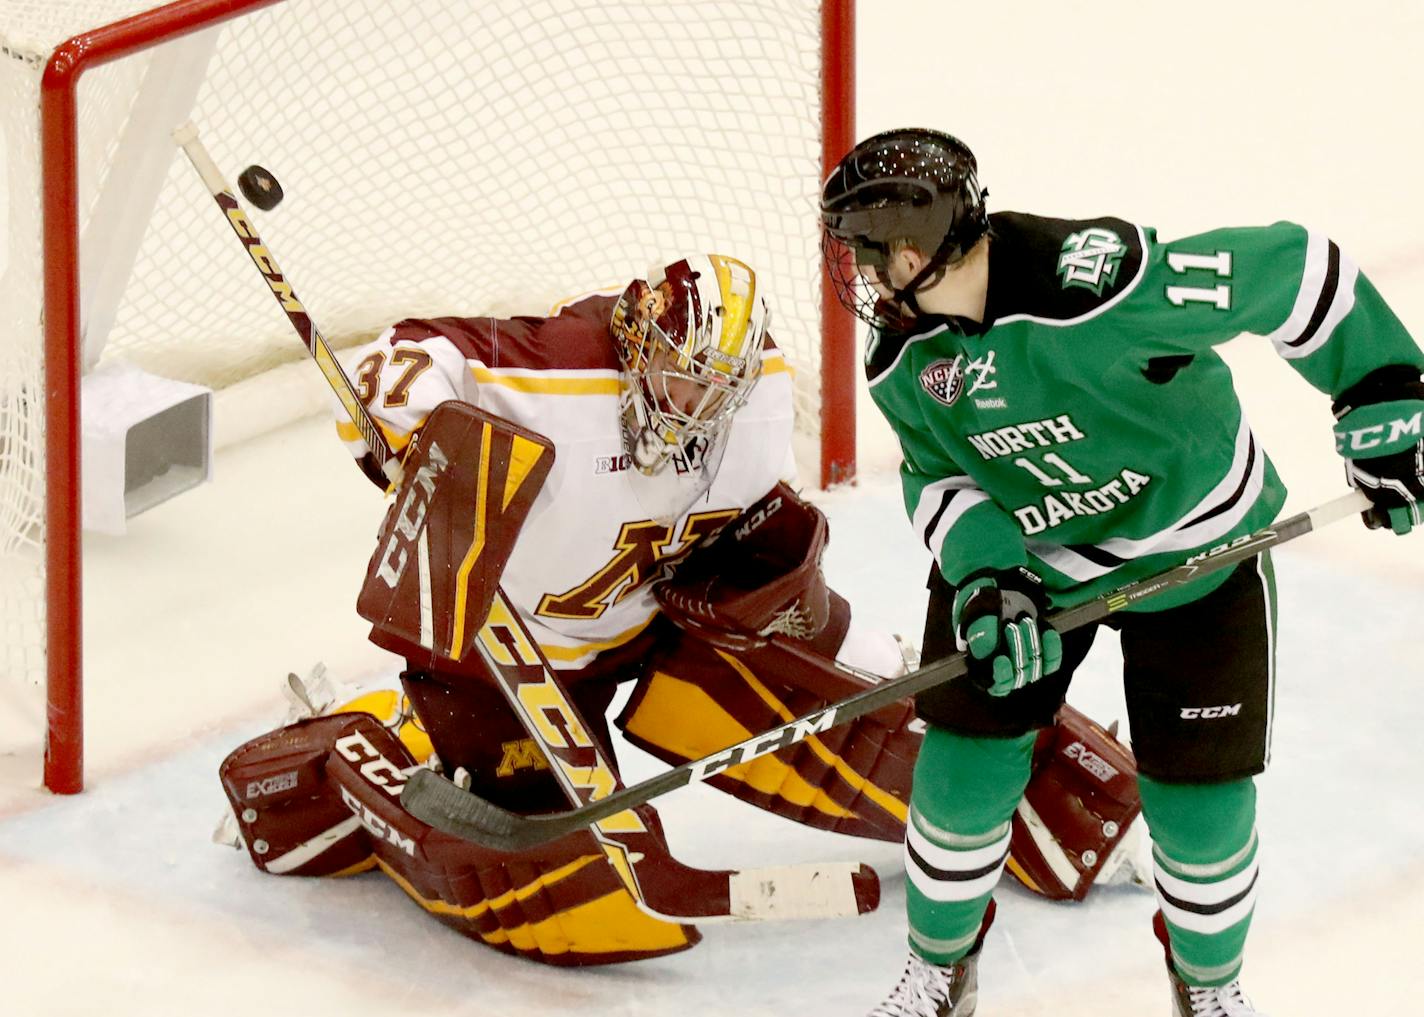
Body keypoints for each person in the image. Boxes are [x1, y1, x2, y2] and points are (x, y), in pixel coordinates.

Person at [819, 128, 1424, 1016]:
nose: (861, 274)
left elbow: (1296, 269)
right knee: (958, 776)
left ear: (911, 248)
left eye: (867, 251)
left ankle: (1210, 988)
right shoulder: (904, 359)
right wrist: (985, 575)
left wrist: (1383, 390)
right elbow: (935, 474)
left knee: (1203, 811)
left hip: (1195, 552)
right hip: (1027, 567)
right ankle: (940, 968)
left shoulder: (1099, 285)